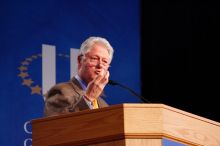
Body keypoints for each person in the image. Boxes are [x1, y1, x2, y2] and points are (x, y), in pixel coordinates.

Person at [44, 36, 114, 117]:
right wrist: (88, 99)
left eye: (105, 61)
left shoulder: (104, 105)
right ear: (80, 60)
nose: (100, 65)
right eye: (94, 58)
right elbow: (57, 127)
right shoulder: (60, 92)